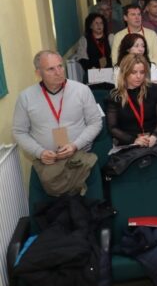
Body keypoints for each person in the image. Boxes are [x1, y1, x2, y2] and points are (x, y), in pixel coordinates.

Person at [12, 51, 103, 196]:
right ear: (38, 72)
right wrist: (39, 152)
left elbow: (95, 123)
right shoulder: (26, 97)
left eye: (60, 66)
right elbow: (19, 132)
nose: (58, 72)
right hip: (48, 162)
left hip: (80, 156)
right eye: (51, 69)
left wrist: (75, 145)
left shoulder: (82, 90)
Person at [106, 54, 157, 147]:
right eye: (133, 72)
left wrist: (154, 136)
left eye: (142, 72)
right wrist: (134, 140)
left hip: (153, 142)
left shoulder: (154, 90)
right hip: (129, 145)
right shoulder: (115, 96)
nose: (139, 76)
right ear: (125, 73)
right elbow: (113, 128)